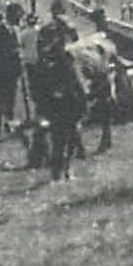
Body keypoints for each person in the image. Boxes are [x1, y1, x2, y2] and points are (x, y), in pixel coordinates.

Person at [35, 45, 89, 181]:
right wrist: (84, 108)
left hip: (57, 111)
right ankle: (64, 169)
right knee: (69, 141)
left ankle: (58, 172)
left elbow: (41, 96)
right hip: (69, 109)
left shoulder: (47, 72)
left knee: (59, 142)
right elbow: (81, 89)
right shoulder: (70, 71)